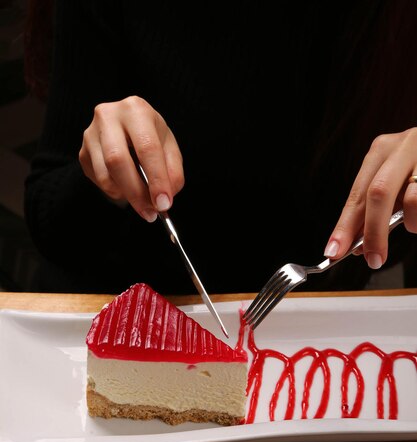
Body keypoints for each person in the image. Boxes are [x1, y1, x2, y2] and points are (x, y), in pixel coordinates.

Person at [24, 0, 417, 295]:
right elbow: (51, 223)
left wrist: (407, 196)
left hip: (310, 342)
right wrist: (105, 176)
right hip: (117, 307)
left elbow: (386, 251)